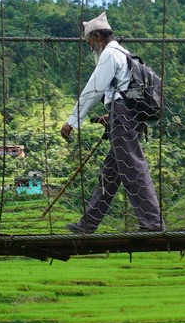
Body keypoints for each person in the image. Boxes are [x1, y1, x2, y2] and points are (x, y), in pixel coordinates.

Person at [60, 12, 165, 234]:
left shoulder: (109, 54)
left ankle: (153, 223)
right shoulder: (124, 53)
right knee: (110, 174)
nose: (90, 48)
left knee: (134, 168)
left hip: (123, 117)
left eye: (89, 42)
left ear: (98, 36)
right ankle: (87, 225)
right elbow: (124, 91)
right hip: (128, 116)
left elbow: (94, 88)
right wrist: (111, 115)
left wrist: (72, 121)